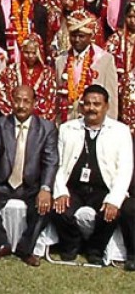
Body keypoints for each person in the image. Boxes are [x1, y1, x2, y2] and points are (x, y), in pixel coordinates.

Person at [51, 85, 135, 266]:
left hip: (103, 188)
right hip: (74, 188)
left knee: (112, 213)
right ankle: (72, 244)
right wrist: (60, 191)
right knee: (58, 209)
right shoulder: (67, 129)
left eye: (97, 104)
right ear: (81, 106)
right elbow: (57, 164)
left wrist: (114, 199)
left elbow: (125, 168)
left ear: (106, 107)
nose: (91, 108)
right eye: (87, 104)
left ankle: (95, 249)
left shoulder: (120, 131)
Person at [0, 85, 58, 266]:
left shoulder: (47, 128)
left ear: (34, 103)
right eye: (17, 100)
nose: (21, 105)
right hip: (3, 183)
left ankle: (25, 248)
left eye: (26, 101)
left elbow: (50, 162)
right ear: (11, 101)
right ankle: (1, 244)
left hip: (31, 185)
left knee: (45, 205)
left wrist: (45, 189)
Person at [55, 11, 118, 123]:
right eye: (73, 36)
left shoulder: (105, 60)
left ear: (90, 36)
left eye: (81, 36)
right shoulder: (60, 61)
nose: (77, 40)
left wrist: (109, 127)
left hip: (96, 123)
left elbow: (111, 99)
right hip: (67, 124)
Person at [0, 34, 57, 121]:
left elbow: (51, 99)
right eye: (27, 52)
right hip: (13, 119)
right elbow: (3, 96)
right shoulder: (10, 71)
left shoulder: (48, 73)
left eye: (34, 53)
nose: (30, 56)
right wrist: (17, 114)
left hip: (40, 121)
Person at [105, 1, 135, 134]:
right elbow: (106, 59)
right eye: (130, 17)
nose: (132, 21)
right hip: (118, 87)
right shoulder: (116, 38)